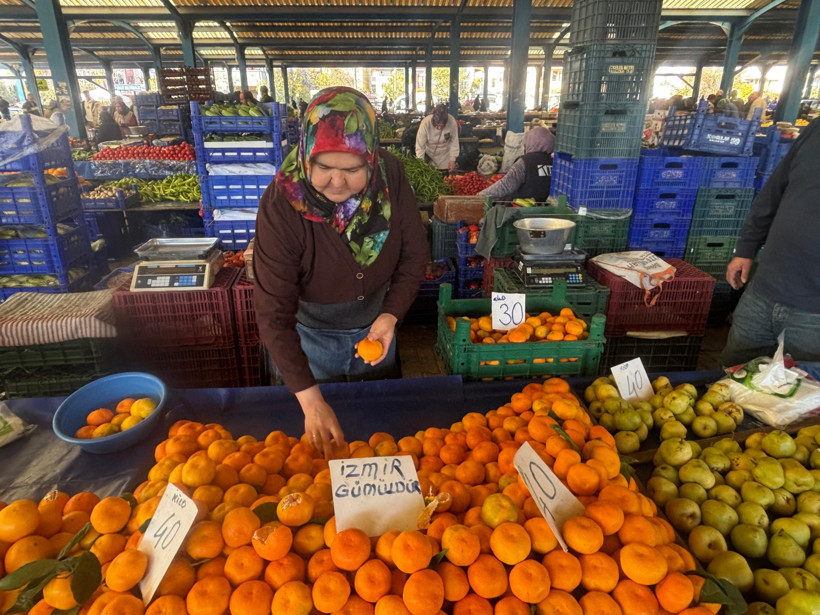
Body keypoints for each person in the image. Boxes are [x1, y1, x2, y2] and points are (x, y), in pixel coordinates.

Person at [253, 87, 427, 456]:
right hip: (308, 340)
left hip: (377, 328)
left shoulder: (390, 176)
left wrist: (389, 317)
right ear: (305, 157)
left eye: (351, 170)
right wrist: (309, 398)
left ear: (371, 160)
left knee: (379, 439)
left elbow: (414, 256)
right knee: (317, 450)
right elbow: (273, 313)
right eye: (324, 168)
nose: (337, 182)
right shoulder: (280, 205)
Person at [720, 118, 820, 368]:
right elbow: (773, 192)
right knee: (731, 375)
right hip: (764, 291)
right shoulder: (816, 130)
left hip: (813, 313)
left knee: (799, 395)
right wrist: (746, 248)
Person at [478, 126, 554, 202]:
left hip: (524, 208)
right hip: (548, 207)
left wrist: (480, 196)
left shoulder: (526, 162)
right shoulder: (554, 162)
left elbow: (505, 186)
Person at [415, 103, 460, 172]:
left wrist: (452, 159)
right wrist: (421, 162)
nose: (439, 128)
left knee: (444, 179)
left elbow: (454, 142)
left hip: (445, 156)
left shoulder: (452, 121)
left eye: (442, 126)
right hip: (429, 154)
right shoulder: (425, 123)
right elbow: (420, 145)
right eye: (437, 125)